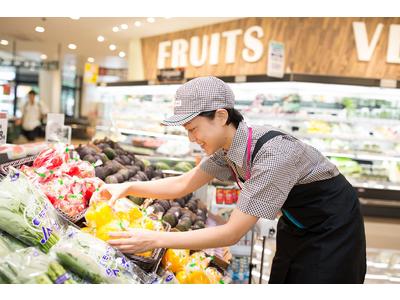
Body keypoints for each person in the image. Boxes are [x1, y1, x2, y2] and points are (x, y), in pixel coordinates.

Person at [100, 76, 367, 284]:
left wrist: (156, 240)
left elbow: (231, 233)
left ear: (221, 116)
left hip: (334, 227)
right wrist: (126, 187)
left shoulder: (273, 156)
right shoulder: (228, 150)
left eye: (193, 128)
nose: (191, 138)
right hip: (297, 224)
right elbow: (183, 184)